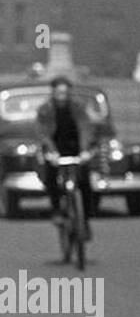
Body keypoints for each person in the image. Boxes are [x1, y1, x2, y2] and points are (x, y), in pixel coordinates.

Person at [36, 77, 96, 239]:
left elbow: (85, 128)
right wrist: (52, 152)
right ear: (53, 92)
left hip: (75, 147)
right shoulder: (45, 109)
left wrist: (84, 150)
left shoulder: (78, 108)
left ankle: (85, 220)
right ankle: (57, 210)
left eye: (65, 92)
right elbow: (43, 133)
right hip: (55, 148)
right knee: (51, 178)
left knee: (85, 182)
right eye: (59, 92)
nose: (62, 95)